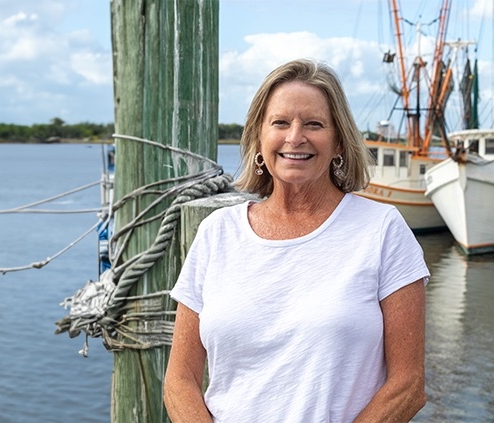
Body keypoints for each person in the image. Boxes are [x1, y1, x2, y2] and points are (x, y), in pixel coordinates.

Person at [164, 58, 429, 422]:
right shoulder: (216, 232)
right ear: (260, 137)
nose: (295, 137)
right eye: (280, 123)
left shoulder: (382, 229)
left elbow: (408, 386)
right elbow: (180, 380)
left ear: (338, 141)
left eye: (315, 124)